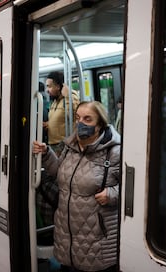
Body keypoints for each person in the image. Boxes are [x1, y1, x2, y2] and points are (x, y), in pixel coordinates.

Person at [33, 101, 121, 272]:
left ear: (100, 124)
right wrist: (46, 154)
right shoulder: (70, 147)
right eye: (78, 118)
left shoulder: (114, 152)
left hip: (96, 238)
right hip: (67, 235)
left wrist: (111, 194)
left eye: (88, 119)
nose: (81, 123)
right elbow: (60, 173)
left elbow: (131, 190)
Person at [44, 71, 80, 156]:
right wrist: (48, 124)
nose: (47, 90)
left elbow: (75, 115)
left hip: (64, 144)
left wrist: (67, 96)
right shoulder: (55, 101)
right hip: (54, 144)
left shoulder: (71, 97)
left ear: (58, 86)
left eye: (49, 86)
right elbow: (62, 119)